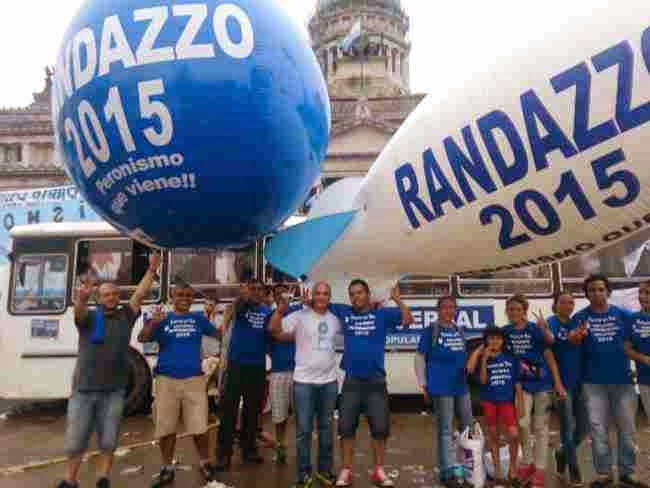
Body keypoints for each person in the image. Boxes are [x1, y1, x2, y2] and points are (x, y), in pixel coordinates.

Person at [56, 252, 160, 488]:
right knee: (75, 441)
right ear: (99, 298)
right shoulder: (89, 319)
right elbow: (78, 312)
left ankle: (103, 478)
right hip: (83, 391)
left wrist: (152, 270)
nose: (111, 297)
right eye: (106, 295)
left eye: (114, 294)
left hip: (114, 391)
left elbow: (140, 294)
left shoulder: (126, 316)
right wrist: (81, 299)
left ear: (118, 297)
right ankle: (69, 480)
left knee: (109, 440)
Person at [328, 279, 415, 488]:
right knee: (346, 428)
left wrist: (397, 300)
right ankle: (346, 470)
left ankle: (378, 470)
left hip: (376, 381)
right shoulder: (344, 312)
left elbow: (408, 319)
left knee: (380, 428)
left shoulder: (381, 314)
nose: (355, 297)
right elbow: (320, 302)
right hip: (351, 381)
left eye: (359, 292)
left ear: (368, 294)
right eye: (352, 294)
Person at [138, 285, 219, 486]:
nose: (184, 298)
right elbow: (142, 338)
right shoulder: (160, 318)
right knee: (166, 428)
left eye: (188, 295)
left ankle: (205, 463)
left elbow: (219, 334)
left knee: (200, 427)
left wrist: (217, 316)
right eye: (180, 295)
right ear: (172, 297)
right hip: (166, 380)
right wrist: (153, 324)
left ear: (192, 299)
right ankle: (167, 468)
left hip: (195, 381)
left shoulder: (199, 319)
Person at [575, 275, 647, 488]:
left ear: (608, 292)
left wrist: (639, 365)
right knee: (598, 430)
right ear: (586, 294)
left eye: (600, 289)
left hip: (623, 381)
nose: (597, 293)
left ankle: (628, 473)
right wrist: (576, 337)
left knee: (627, 429)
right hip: (592, 383)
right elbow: (572, 346)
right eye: (592, 290)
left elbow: (638, 341)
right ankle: (603, 474)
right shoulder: (580, 318)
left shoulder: (624, 315)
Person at [270, 282, 342, 488]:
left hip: (329, 382)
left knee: (326, 429)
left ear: (330, 297)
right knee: (303, 430)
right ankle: (304, 475)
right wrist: (280, 310)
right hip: (303, 383)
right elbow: (274, 330)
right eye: (318, 293)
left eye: (325, 293)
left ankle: (324, 471)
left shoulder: (335, 319)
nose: (321, 297)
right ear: (312, 296)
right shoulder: (300, 316)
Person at [503, 294, 566, 488]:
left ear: (524, 311)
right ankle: (527, 462)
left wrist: (558, 383)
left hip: (542, 385)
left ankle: (539, 468)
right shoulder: (505, 332)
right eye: (511, 309)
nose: (514, 312)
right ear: (506, 311)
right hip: (520, 386)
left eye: (518, 309)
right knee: (522, 424)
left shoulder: (534, 329)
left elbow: (549, 353)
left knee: (540, 427)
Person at [414, 296, 473, 488]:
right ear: (438, 310)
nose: (449, 311)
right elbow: (419, 358)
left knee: (467, 428)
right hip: (440, 387)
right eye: (445, 307)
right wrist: (423, 384)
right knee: (445, 430)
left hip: (461, 386)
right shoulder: (431, 331)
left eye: (452, 307)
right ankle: (447, 472)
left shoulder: (459, 330)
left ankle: (466, 469)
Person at [215, 278, 272, 470]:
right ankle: (223, 454)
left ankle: (249, 450)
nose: (256, 292)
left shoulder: (266, 312)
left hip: (257, 367)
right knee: (228, 411)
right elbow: (237, 305)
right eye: (252, 288)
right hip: (236, 366)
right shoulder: (239, 307)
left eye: (259, 289)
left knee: (252, 411)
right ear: (246, 290)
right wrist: (242, 296)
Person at [467, 327, 523, 488]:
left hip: (507, 402)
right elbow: (482, 380)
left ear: (503, 341)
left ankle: (513, 470)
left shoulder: (510, 357)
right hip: (489, 402)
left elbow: (517, 382)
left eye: (498, 338)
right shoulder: (483, 358)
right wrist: (484, 358)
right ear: (486, 341)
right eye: (491, 338)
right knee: (493, 436)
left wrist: (520, 403)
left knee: (514, 435)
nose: (494, 342)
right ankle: (497, 473)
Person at [549, 292, 589, 486]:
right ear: (555, 304)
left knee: (583, 428)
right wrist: (557, 384)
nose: (568, 306)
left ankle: (562, 453)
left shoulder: (577, 322)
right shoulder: (550, 323)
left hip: (581, 383)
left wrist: (581, 335)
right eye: (563, 302)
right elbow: (549, 352)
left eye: (571, 302)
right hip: (562, 384)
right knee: (567, 427)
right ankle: (573, 467)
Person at [268, 283, 297, 465]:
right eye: (278, 294)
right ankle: (280, 447)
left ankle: (302, 449)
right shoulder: (270, 315)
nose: (282, 297)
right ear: (273, 296)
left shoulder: (298, 311)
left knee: (302, 415)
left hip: (300, 371)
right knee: (279, 415)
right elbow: (270, 335)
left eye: (284, 293)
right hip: (278, 372)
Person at [624, 280, 650, 430]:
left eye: (647, 293)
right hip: (645, 380)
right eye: (640, 292)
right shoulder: (632, 319)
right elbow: (627, 349)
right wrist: (643, 358)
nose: (642, 296)